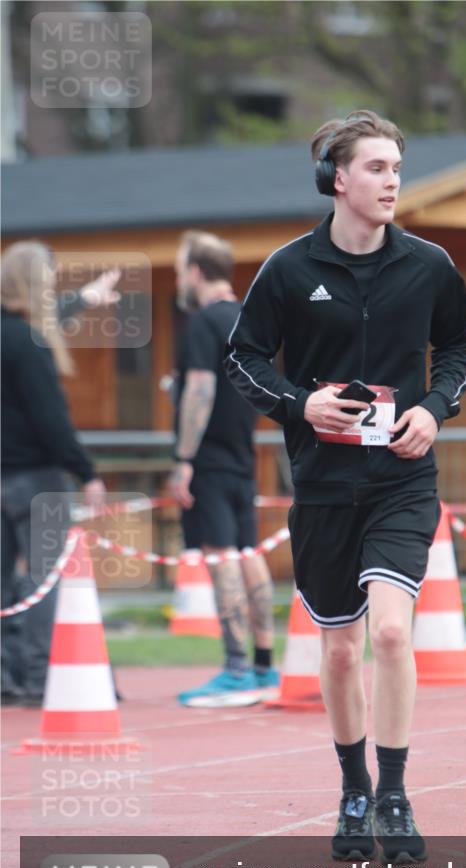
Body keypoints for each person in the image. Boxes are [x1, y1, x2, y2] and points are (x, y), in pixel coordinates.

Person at [225, 111, 466, 863]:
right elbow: (243, 359)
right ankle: (352, 788)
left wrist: (434, 410)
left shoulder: (428, 264)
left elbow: (460, 344)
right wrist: (297, 403)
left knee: (394, 632)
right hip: (326, 485)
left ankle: (395, 794)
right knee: (339, 653)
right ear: (337, 179)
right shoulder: (288, 269)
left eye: (396, 167)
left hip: (402, 480)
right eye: (375, 167)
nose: (391, 179)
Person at [1, 241, 118, 705]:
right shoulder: (29, 343)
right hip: (35, 477)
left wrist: (86, 297)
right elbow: (51, 418)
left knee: (5, 580)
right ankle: (37, 677)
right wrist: (86, 472)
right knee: (44, 581)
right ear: (34, 285)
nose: (52, 292)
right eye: (47, 283)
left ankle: (6, 676)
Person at [168, 231, 277, 707]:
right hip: (242, 455)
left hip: (210, 459)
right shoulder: (246, 319)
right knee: (247, 552)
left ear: (195, 271)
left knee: (219, 557)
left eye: (178, 270)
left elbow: (201, 390)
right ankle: (262, 664)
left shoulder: (202, 322)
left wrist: (184, 460)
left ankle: (235, 669)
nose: (178, 278)